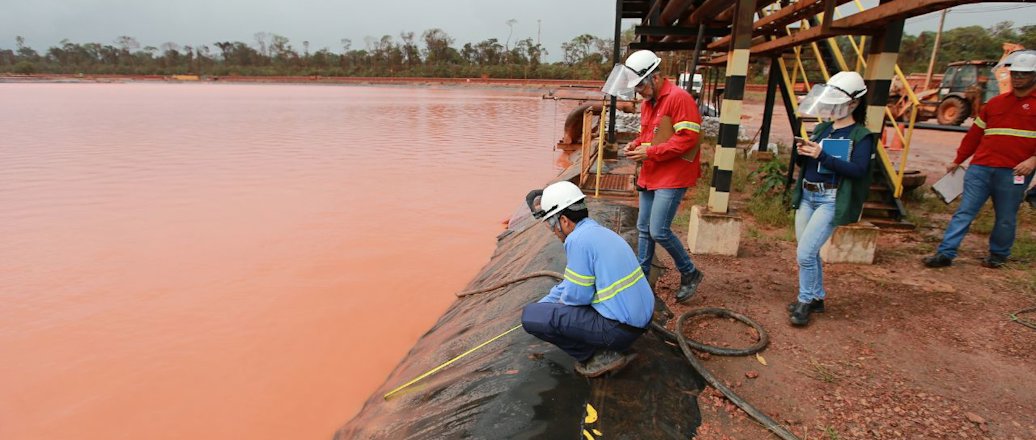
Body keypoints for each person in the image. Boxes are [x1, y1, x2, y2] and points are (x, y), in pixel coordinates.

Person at [521, 181, 654, 377]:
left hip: (620, 331)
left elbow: (577, 297)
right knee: (542, 310)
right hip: (640, 321)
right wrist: (546, 303)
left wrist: (545, 314)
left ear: (564, 221)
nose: (554, 233)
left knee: (530, 317)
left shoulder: (577, 241)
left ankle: (595, 356)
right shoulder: (597, 232)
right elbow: (571, 282)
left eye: (552, 225)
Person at [923, 52, 1036, 269]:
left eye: (1024, 73)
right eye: (1015, 73)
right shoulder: (995, 103)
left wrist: (1033, 160)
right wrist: (958, 160)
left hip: (1014, 172)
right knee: (964, 211)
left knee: (1006, 217)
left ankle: (998, 255)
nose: (1018, 77)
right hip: (980, 168)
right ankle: (945, 253)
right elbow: (974, 135)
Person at [788, 71, 876, 326]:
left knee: (805, 254)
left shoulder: (861, 136)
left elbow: (858, 171)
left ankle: (804, 301)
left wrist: (821, 156)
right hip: (807, 194)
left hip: (830, 199)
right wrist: (803, 153)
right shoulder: (823, 128)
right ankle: (817, 297)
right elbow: (808, 163)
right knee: (809, 251)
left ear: (854, 103)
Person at [619, 49, 705, 304]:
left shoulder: (679, 99)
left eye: (641, 86)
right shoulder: (648, 103)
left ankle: (690, 272)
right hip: (652, 172)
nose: (639, 93)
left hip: (673, 174)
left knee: (659, 230)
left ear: (655, 78)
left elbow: (689, 139)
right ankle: (641, 278)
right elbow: (649, 135)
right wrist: (635, 144)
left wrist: (652, 151)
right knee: (643, 229)